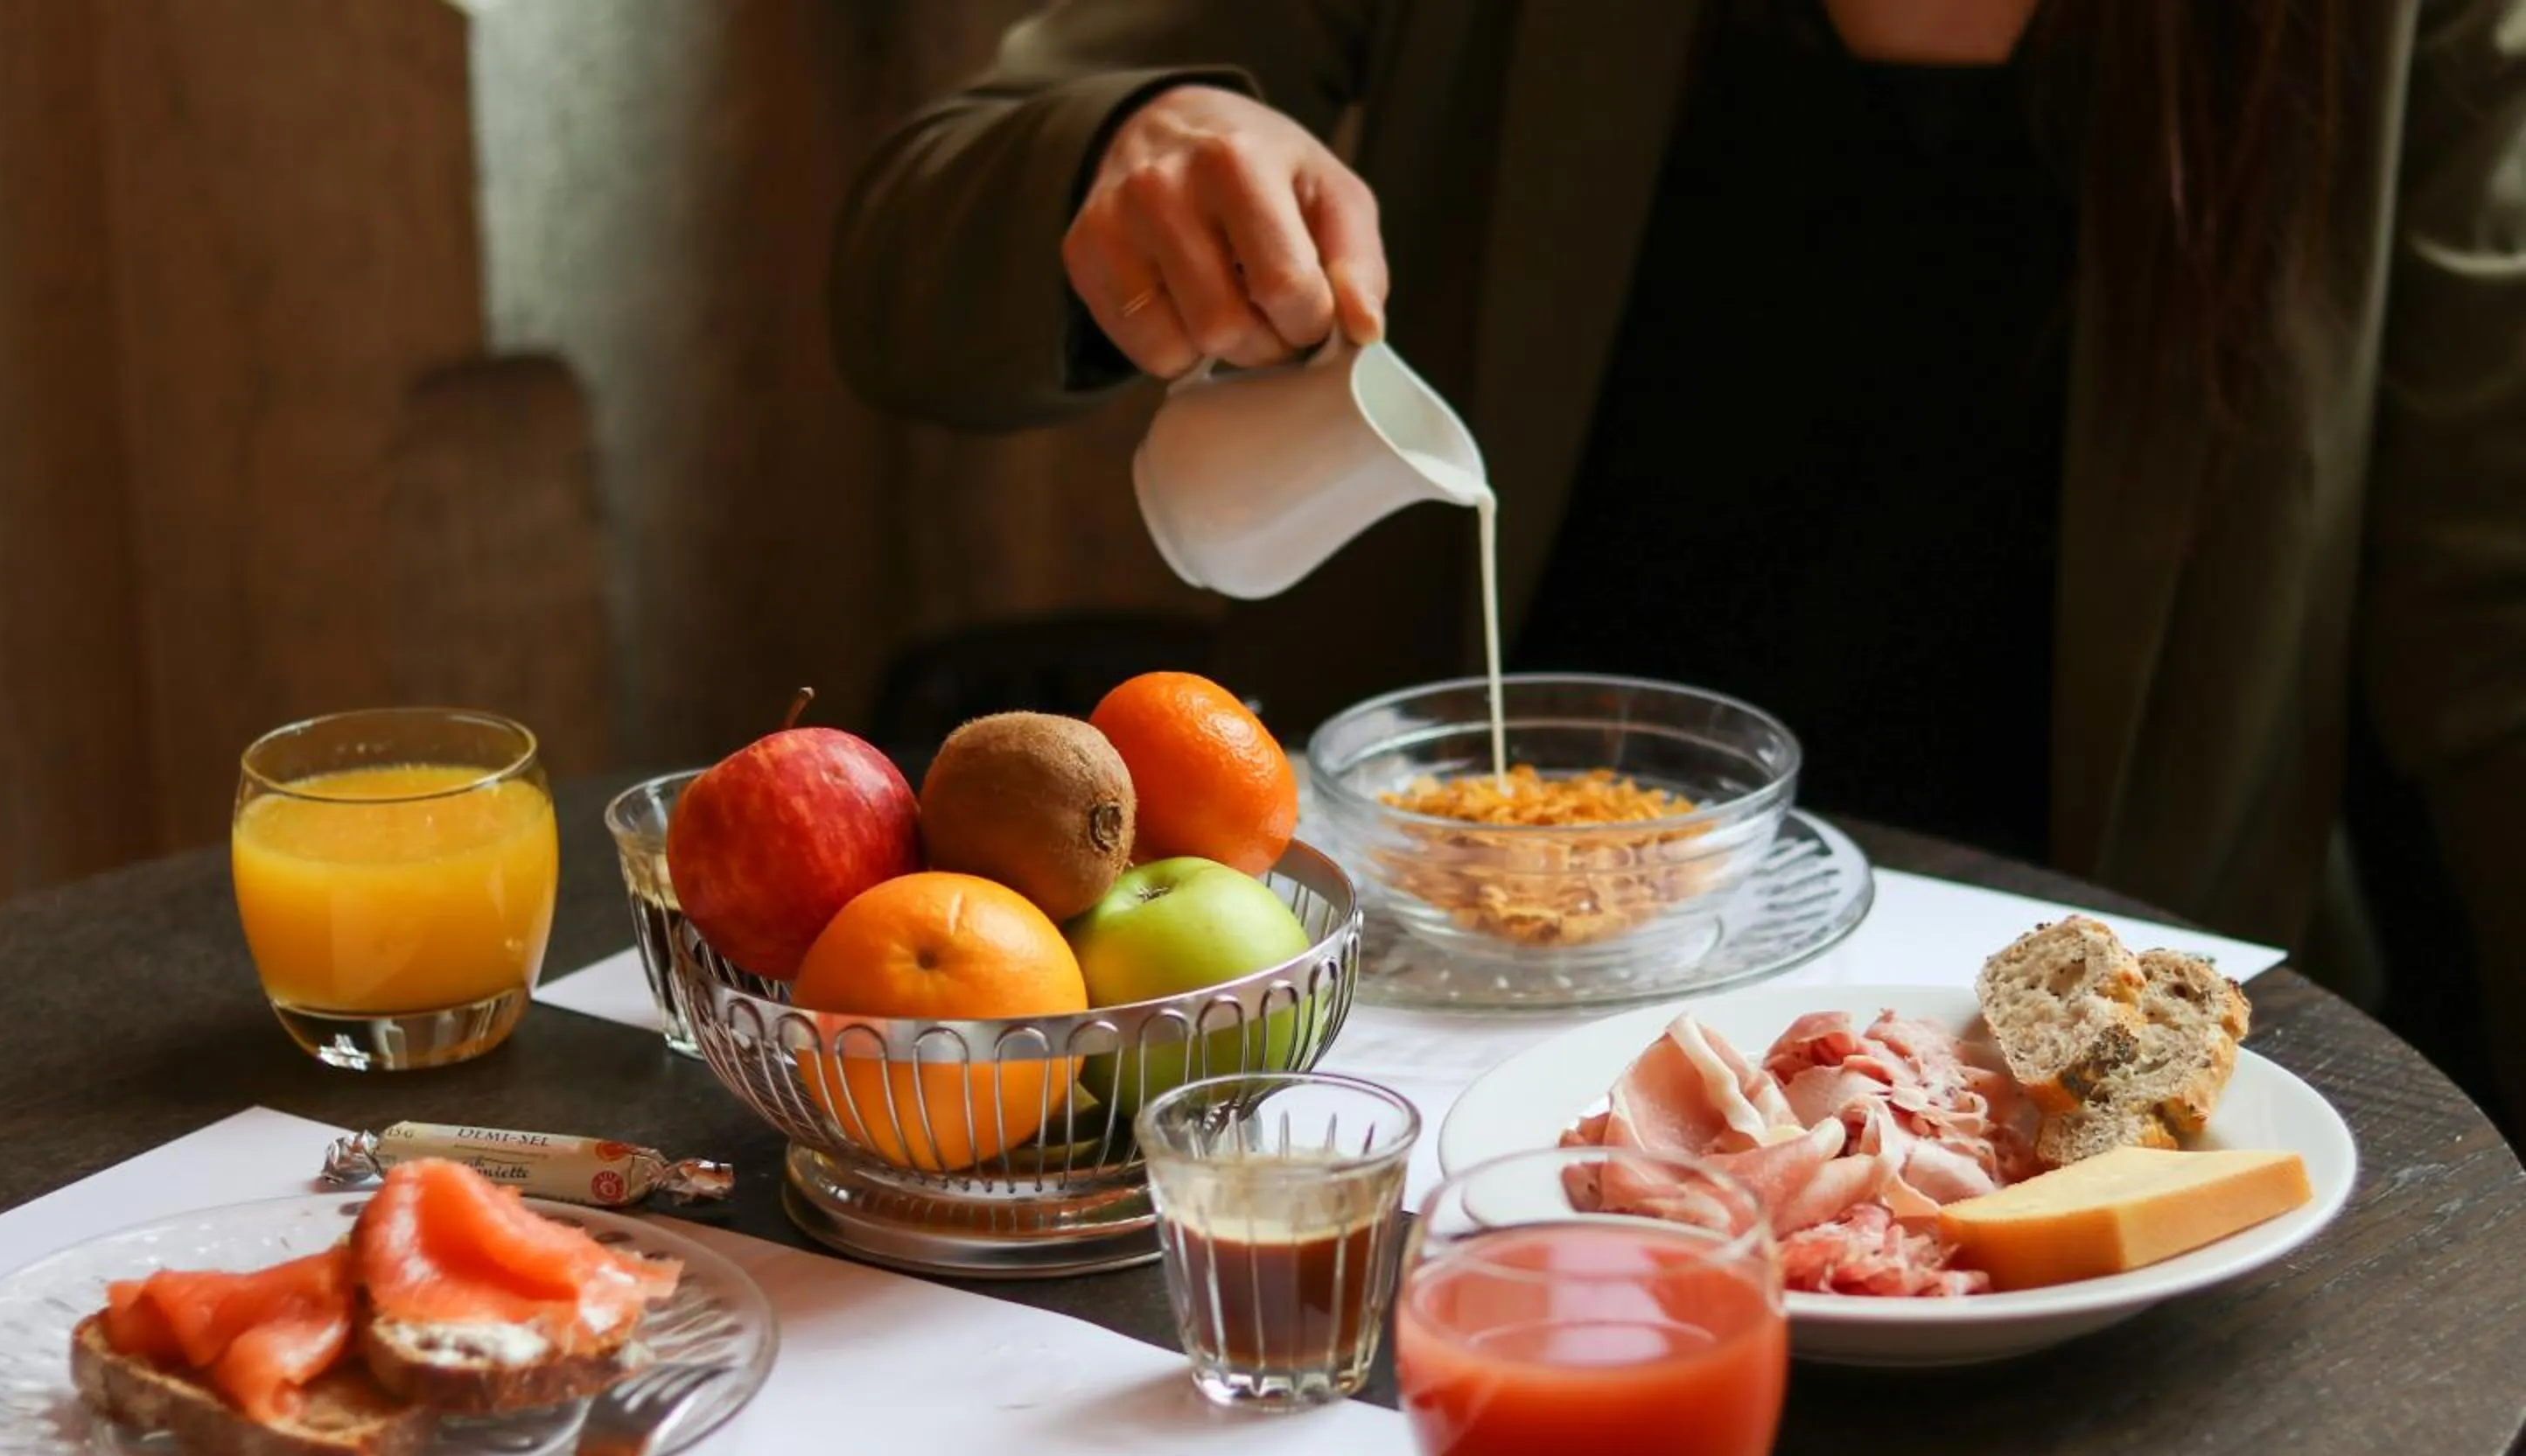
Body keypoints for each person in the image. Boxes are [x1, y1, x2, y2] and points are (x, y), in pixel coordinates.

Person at [829, 0, 2526, 1117]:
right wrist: (1137, 139)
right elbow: (909, 262)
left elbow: (2491, 611)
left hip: (2090, 1110)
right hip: (1463, 1072)